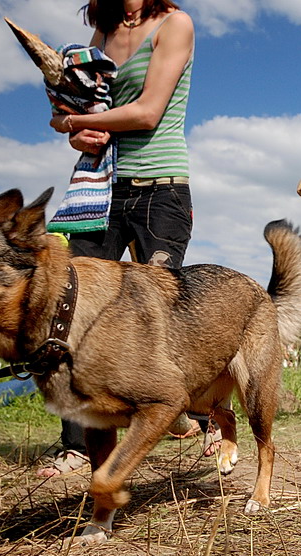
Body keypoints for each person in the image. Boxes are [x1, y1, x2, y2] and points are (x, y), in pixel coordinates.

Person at [41, 0, 209, 476]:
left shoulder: (175, 24)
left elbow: (147, 112)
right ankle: (76, 445)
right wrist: (76, 132)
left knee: (161, 309)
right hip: (101, 188)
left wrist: (76, 124)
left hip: (161, 190)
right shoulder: (101, 37)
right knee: (68, 303)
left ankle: (193, 412)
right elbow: (90, 108)